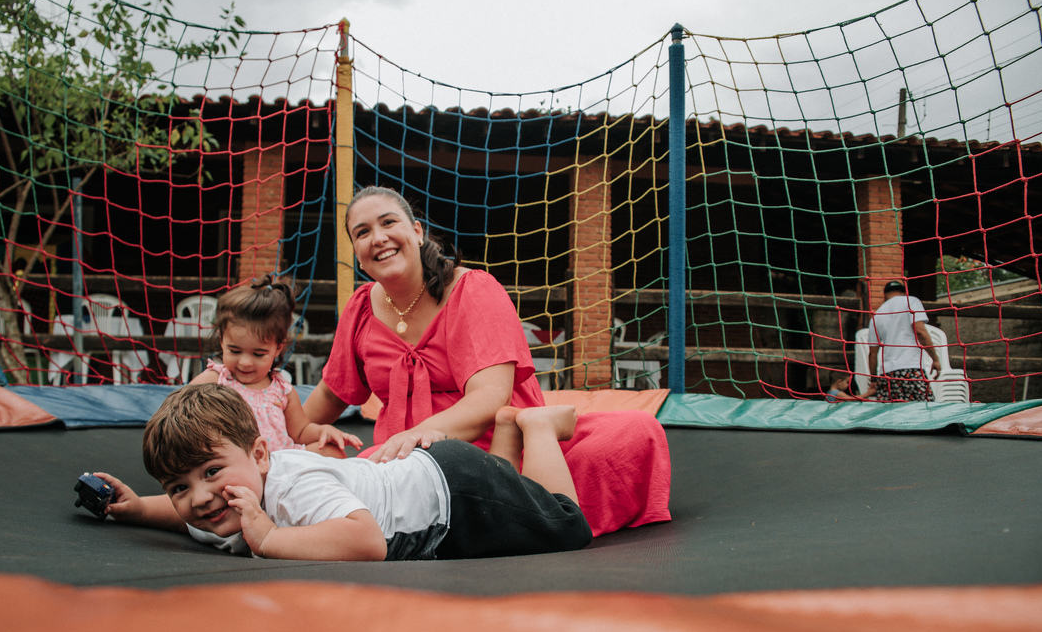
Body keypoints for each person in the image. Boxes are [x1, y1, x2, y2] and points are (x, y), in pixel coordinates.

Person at [300, 185, 671, 537]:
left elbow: (489, 397)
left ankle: (536, 439)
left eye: (388, 223)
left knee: (637, 431)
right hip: (401, 459)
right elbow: (330, 397)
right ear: (357, 253)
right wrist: (266, 431)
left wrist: (415, 436)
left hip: (497, 451)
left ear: (416, 231)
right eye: (362, 233)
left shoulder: (473, 289)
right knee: (324, 468)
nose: (377, 238)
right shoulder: (361, 308)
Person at [95, 383, 592, 561]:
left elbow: (366, 542)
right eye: (179, 486)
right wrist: (135, 509)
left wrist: (268, 538)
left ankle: (537, 426)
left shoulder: (290, 488)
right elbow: (182, 516)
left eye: (210, 472)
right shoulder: (228, 504)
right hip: (432, 480)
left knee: (568, 527)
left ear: (262, 456)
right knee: (510, 503)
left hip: (455, 493)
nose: (200, 498)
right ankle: (504, 435)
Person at [189, 275, 362, 457]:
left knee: (332, 452)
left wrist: (323, 431)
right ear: (221, 340)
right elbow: (177, 413)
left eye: (258, 354)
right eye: (235, 351)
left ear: (277, 348)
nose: (245, 362)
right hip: (237, 463)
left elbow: (300, 432)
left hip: (280, 461)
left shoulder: (281, 389)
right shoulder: (216, 380)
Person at [867, 280, 941, 402]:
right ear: (904, 292)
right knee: (924, 411)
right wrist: (935, 359)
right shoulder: (911, 301)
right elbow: (920, 332)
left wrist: (874, 379)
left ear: (884, 295)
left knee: (893, 415)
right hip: (910, 369)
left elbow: (872, 353)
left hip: (887, 375)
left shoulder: (877, 315)